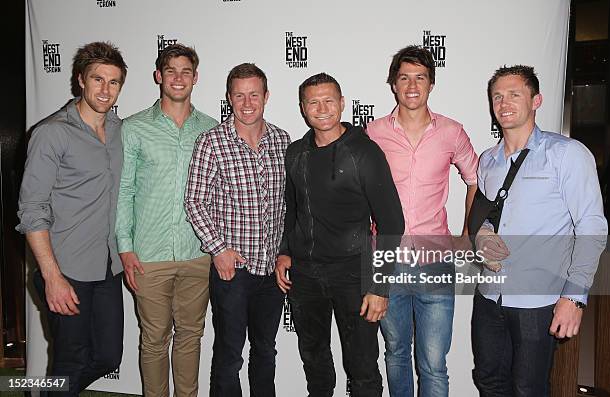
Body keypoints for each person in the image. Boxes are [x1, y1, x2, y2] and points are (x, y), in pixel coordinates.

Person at [472, 65, 607, 397]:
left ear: (536, 100)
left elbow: (591, 226)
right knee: (489, 379)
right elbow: (485, 216)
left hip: (539, 298)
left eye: (514, 94)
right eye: (497, 96)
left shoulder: (566, 154)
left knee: (527, 388)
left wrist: (574, 297)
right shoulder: (487, 160)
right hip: (489, 294)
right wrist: (481, 236)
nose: (504, 103)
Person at [275, 72, 404, 397]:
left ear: (342, 104)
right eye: (313, 102)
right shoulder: (295, 153)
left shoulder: (364, 153)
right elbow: (292, 209)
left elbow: (392, 225)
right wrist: (285, 251)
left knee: (362, 368)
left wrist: (379, 287)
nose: (322, 108)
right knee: (314, 362)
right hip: (305, 276)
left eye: (329, 100)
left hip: (353, 274)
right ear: (303, 108)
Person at [367, 45, 478, 397]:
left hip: (435, 261)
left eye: (420, 78)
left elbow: (475, 178)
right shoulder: (373, 133)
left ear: (431, 84)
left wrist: (466, 234)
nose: (412, 85)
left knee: (433, 363)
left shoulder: (452, 131)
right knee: (396, 354)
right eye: (404, 77)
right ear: (393, 84)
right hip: (388, 260)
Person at [16, 41, 127, 395]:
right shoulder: (52, 133)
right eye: (97, 79)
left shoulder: (119, 130)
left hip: (107, 267)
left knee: (109, 357)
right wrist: (52, 277)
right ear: (80, 80)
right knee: (70, 361)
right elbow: (32, 210)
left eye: (113, 82)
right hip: (67, 269)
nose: (105, 90)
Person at [115, 44, 218, 397]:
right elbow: (124, 190)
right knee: (154, 340)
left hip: (197, 253)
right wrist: (125, 249)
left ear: (195, 78)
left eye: (185, 71)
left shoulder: (211, 129)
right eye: (170, 71)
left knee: (191, 336)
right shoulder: (133, 128)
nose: (178, 78)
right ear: (159, 76)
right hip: (148, 255)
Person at [184, 63, 290, 397]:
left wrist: (285, 251)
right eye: (239, 95)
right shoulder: (211, 142)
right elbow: (194, 201)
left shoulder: (283, 141)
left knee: (265, 350)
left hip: (271, 271)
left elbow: (290, 206)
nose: (247, 103)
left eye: (254, 95)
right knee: (229, 354)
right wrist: (218, 249)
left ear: (266, 96)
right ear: (229, 98)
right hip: (233, 271)